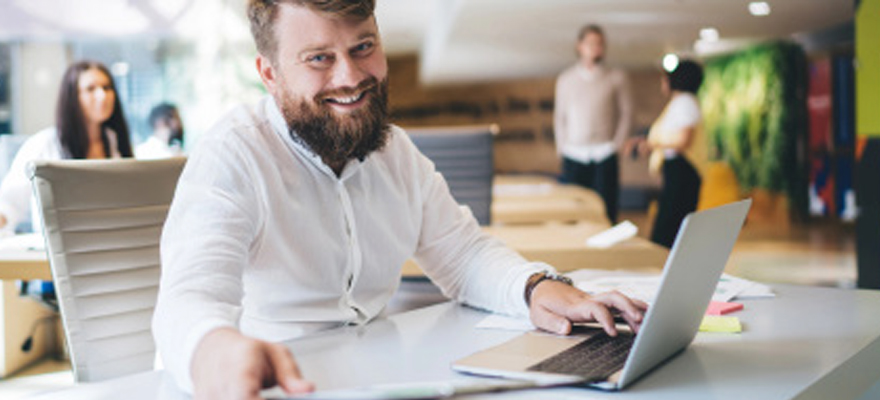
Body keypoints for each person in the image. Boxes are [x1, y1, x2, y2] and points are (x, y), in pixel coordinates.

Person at [151, 1, 649, 399]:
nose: (350, 77)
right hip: (277, 379)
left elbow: (464, 254)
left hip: (382, 375)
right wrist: (213, 352)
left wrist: (538, 287)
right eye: (319, 58)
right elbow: (187, 300)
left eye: (363, 47)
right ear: (270, 74)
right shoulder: (233, 155)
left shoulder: (395, 150)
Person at [0, 61, 134, 237]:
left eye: (107, 87)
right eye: (91, 89)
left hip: (110, 244)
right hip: (61, 250)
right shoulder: (45, 143)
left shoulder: (114, 142)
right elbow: (11, 198)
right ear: (72, 97)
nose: (102, 95)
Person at [554, 24, 633, 223]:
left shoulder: (616, 77)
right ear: (579, 46)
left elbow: (627, 112)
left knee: (607, 209)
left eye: (600, 43)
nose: (596, 47)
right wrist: (561, 147)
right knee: (573, 208)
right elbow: (559, 116)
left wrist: (617, 144)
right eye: (591, 43)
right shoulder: (566, 79)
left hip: (604, 152)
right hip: (574, 153)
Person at [629, 60, 703, 248]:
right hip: (677, 170)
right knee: (669, 229)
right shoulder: (680, 103)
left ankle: (662, 271)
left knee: (668, 231)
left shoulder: (685, 103)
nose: (663, 82)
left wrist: (653, 144)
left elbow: (683, 141)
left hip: (682, 171)